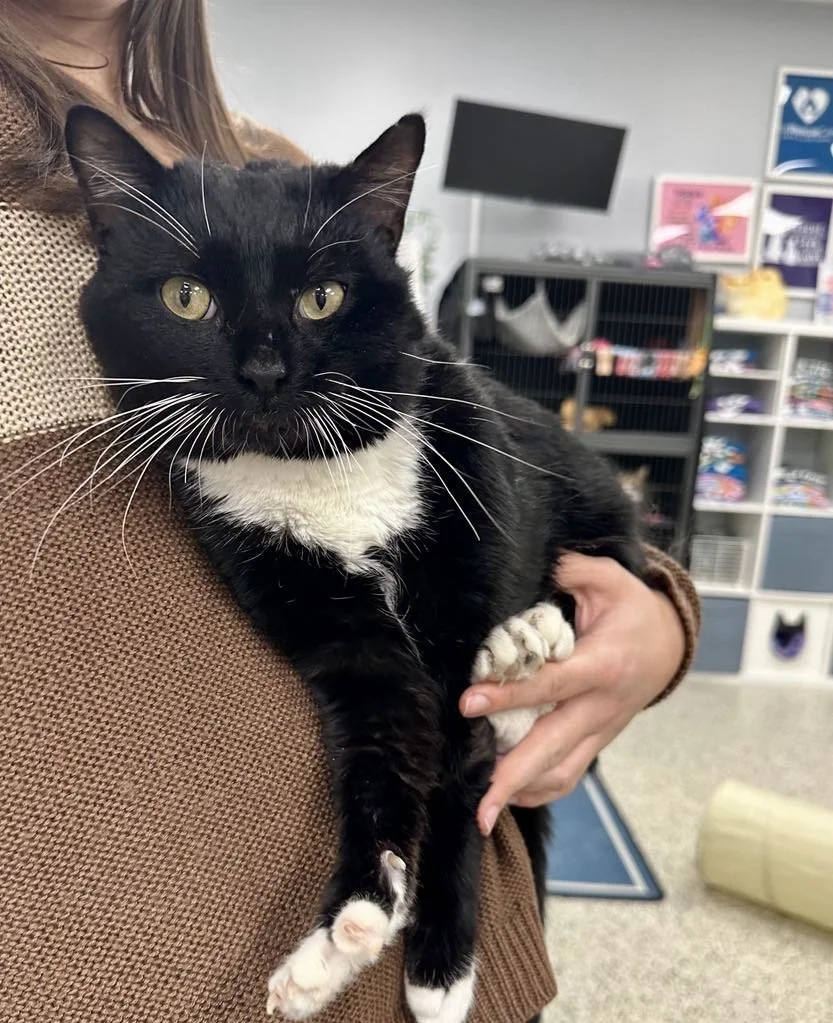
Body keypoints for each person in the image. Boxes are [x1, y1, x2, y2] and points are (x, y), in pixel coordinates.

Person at [0, 3, 700, 1021]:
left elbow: (486, 439)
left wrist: (659, 623)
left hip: (444, 945)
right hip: (121, 965)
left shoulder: (278, 168)